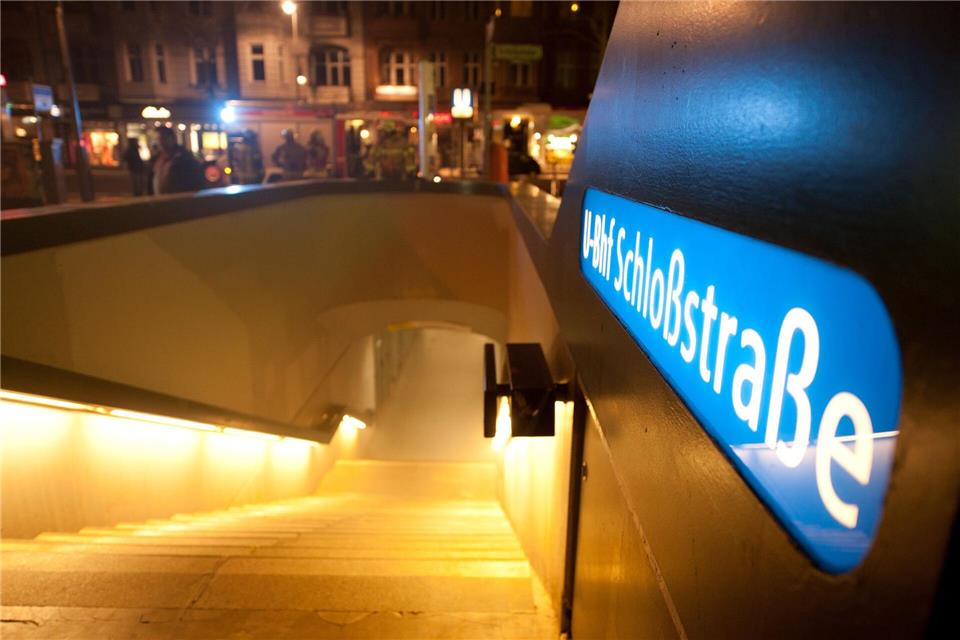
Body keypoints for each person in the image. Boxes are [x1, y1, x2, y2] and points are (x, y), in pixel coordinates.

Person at [152, 127, 204, 195]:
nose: (160, 142)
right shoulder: (157, 159)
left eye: (163, 138)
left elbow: (195, 183)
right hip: (161, 202)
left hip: (179, 201)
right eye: (157, 139)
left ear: (172, 139)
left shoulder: (185, 159)